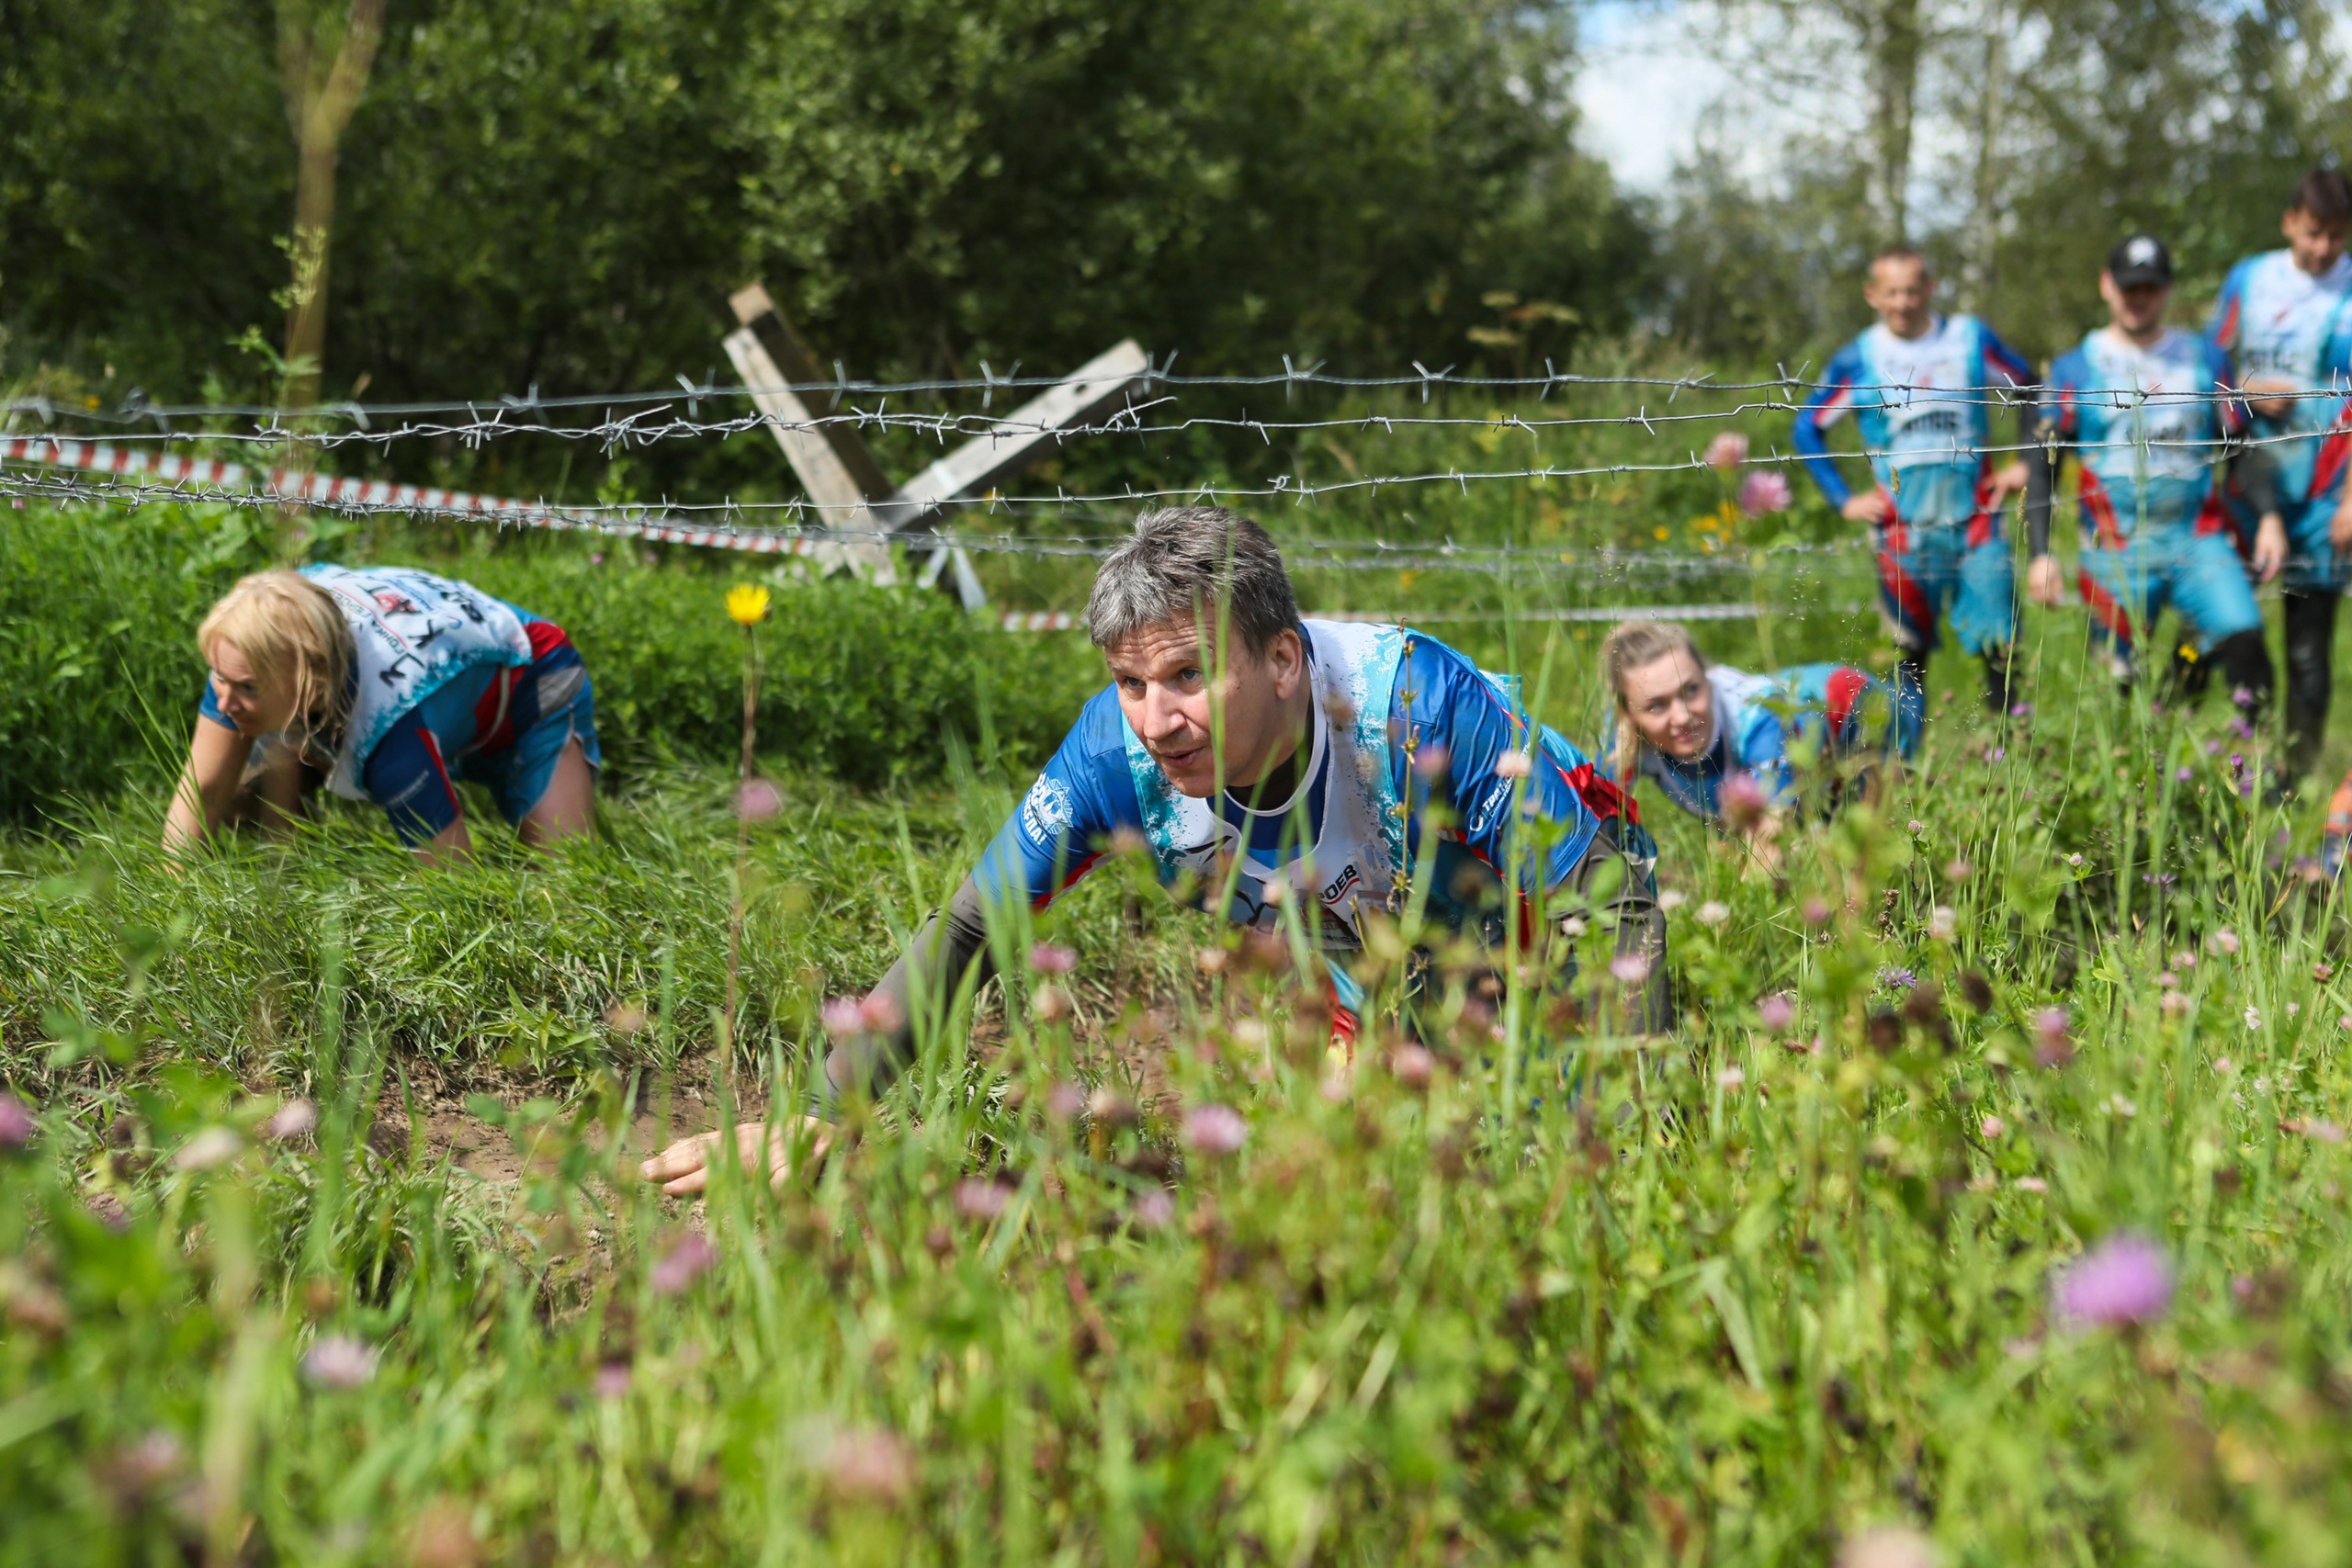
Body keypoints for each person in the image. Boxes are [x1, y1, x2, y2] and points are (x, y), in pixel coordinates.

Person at [642, 506, 1669, 1193]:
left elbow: (1610, 906)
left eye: (1185, 675)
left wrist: (1636, 1130)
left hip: (1534, 919)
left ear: (1281, 660)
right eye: (1132, 685)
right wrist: (824, 1113)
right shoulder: (1112, 756)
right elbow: (972, 924)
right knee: (1360, 1162)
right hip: (1365, 946)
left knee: (1531, 1155)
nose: (1156, 719)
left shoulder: (1419, 704)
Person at [164, 564, 600, 864]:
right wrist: (167, 920)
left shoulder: (391, 739)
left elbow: (455, 883)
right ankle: (286, 855)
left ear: (307, 679)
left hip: (532, 676)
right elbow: (203, 790)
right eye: (219, 678)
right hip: (422, 690)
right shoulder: (248, 643)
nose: (224, 701)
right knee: (241, 783)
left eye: (247, 688)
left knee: (564, 883)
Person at [2024, 235, 2283, 713]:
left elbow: (2239, 448)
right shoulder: (2073, 369)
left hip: (2195, 538)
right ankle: (2139, 767)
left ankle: (2260, 770)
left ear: (2167, 290)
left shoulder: (2205, 360)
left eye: (2149, 287)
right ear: (2107, 286)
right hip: (2115, 547)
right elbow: (2044, 467)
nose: (2138, 298)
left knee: (2240, 633)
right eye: (2129, 287)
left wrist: (2268, 516)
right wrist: (2040, 553)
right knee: (2115, 687)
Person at [1793, 246, 2038, 729]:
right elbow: (1807, 427)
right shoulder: (1858, 358)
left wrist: (2026, 463)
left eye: (1912, 290)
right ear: (1872, 295)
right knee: (1907, 653)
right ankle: (1904, 771)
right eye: (1892, 292)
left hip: (1976, 523)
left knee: (2000, 645)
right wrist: (1843, 500)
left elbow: (2032, 390)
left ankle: (2010, 753)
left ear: (1930, 288)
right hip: (1901, 531)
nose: (1904, 302)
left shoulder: (1970, 338)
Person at [2209, 168, 2352, 785]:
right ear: (2290, 221)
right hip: (2248, 480)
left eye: (2338, 237)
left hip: (2325, 494)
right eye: (2315, 233)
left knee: (2310, 648)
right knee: (2211, 628)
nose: (2323, 249)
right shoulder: (2250, 279)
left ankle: (2294, 782)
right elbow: (2208, 367)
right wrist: (2243, 388)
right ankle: (2180, 760)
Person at [1599, 620, 1915, 853]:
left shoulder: (1756, 718)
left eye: (1691, 690)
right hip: (1804, 700)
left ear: (1708, 677)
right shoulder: (1622, 736)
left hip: (1854, 707)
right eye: (1656, 706)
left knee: (1870, 846)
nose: (1682, 717)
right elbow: (1594, 834)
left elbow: (1770, 840)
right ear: (1627, 712)